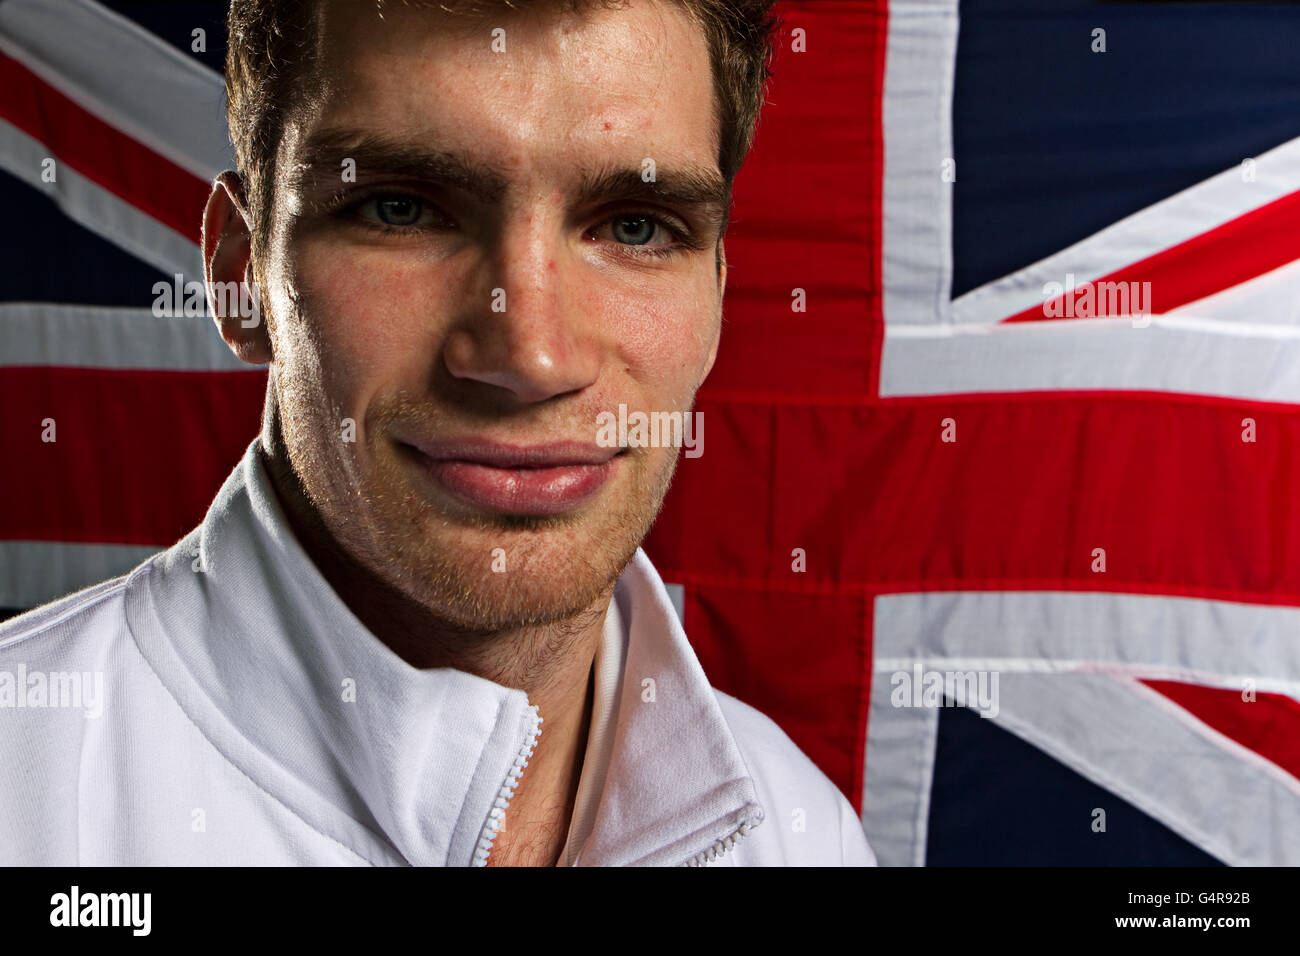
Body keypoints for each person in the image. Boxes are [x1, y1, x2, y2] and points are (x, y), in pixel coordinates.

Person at [0, 0, 875, 866]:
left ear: (718, 292)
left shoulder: (805, 834)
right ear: (241, 276)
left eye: (635, 226)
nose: (530, 355)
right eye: (401, 211)